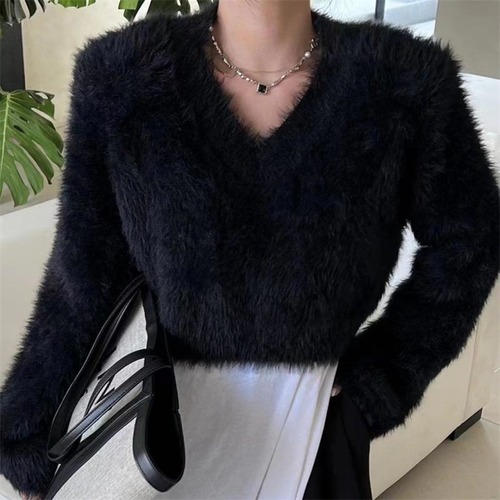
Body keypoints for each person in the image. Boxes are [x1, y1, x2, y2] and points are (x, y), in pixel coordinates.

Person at [1, 0, 499, 499]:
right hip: (152, 442)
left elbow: (472, 240)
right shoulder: (122, 76)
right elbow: (83, 277)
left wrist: (382, 380)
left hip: (311, 439)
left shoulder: (403, 82)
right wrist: (29, 435)